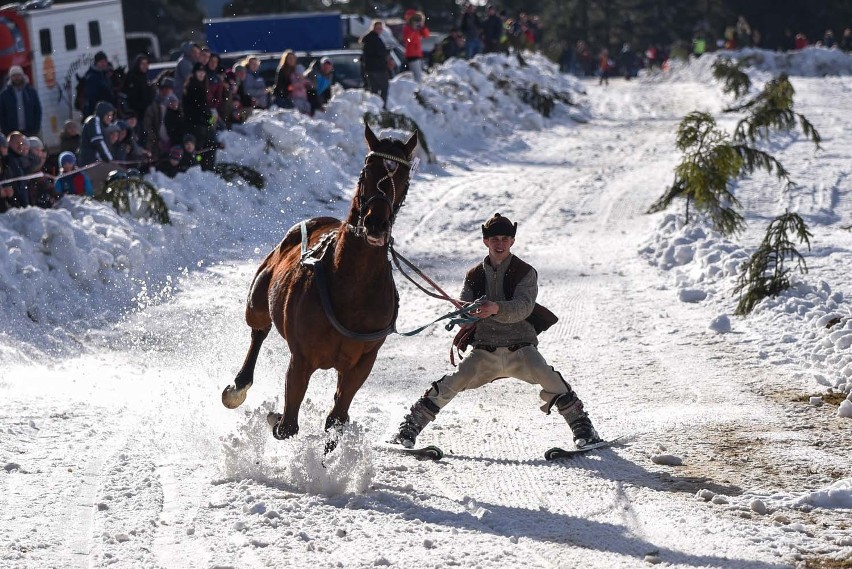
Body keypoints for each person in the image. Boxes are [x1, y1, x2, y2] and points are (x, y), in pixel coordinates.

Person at [391, 213, 602, 450]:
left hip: (521, 348)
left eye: (504, 238)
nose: (499, 243)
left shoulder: (525, 272)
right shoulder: (473, 275)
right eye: (494, 239)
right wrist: (466, 313)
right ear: (486, 242)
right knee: (450, 383)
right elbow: (463, 316)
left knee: (551, 379)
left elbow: (523, 307)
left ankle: (584, 430)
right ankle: (408, 429)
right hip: (484, 351)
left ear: (512, 241)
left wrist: (494, 308)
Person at [182, 62, 216, 171]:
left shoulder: (200, 86)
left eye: (203, 72)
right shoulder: (193, 87)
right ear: (194, 73)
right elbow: (197, 108)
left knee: (206, 148)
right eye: (199, 72)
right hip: (195, 125)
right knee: (201, 150)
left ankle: (206, 170)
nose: (201, 74)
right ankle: (203, 170)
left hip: (201, 124)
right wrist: (206, 118)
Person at [0, 65, 42, 137]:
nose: (17, 77)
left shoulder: (31, 92)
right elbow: (1, 114)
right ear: (10, 77)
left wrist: (36, 128)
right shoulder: (4, 94)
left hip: (30, 132)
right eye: (14, 75)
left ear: (22, 75)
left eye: (18, 75)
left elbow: (38, 111)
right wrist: (6, 131)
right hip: (12, 134)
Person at [361, 20, 392, 108]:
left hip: (369, 69)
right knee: (384, 88)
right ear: (373, 28)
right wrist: (387, 51)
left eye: (380, 28)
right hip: (378, 69)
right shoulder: (375, 39)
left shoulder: (368, 39)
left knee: (374, 90)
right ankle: (382, 108)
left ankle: (374, 108)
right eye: (378, 28)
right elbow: (379, 53)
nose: (379, 30)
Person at [123, 54, 154, 131]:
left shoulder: (144, 76)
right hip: (136, 114)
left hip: (145, 112)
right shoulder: (132, 76)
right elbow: (132, 98)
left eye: (146, 64)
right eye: (142, 64)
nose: (145, 66)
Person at [83, 51, 115, 117]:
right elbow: (92, 98)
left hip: (108, 111)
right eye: (101, 62)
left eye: (105, 61)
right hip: (98, 113)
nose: (103, 64)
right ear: (96, 63)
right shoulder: (92, 77)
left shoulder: (105, 75)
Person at [402, 10, 430, 83]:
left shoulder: (418, 29)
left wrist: (422, 27)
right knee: (417, 75)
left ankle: (418, 88)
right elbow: (407, 40)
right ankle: (417, 89)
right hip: (411, 54)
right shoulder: (407, 28)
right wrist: (413, 30)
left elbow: (426, 35)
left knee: (419, 74)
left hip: (418, 54)